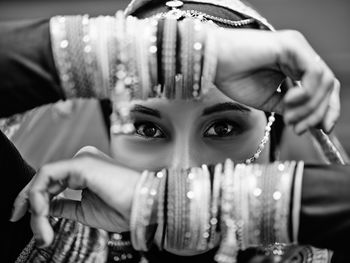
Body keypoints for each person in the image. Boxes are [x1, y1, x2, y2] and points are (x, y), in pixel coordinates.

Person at [0, 0, 346, 262]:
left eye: (224, 127)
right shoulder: (44, 239)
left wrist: (184, 204)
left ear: (278, 133)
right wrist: (166, 55)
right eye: (147, 128)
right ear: (110, 135)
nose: (183, 168)